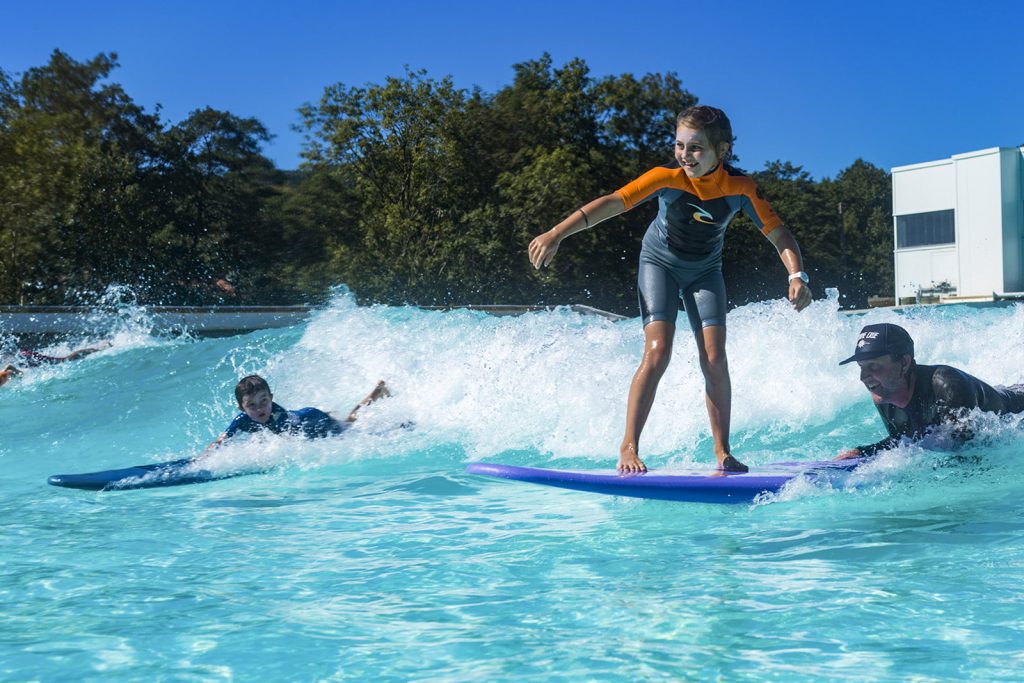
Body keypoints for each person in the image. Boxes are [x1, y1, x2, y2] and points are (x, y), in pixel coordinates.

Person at [528, 105, 812, 473]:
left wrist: (796, 275)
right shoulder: (667, 178)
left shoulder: (740, 188)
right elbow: (614, 202)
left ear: (722, 150)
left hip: (705, 272)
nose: (684, 155)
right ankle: (628, 447)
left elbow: (778, 232)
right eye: (679, 145)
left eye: (696, 148)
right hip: (658, 264)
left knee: (714, 357)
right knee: (658, 350)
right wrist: (556, 233)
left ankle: (722, 450)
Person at [836, 322, 1024, 459]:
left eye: (874, 366)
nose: (864, 377)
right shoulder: (883, 394)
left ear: (904, 362)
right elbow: (903, 443)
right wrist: (862, 453)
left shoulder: (947, 385)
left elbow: (970, 454)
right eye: (862, 367)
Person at [202, 374, 391, 454]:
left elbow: (287, 442)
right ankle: (377, 393)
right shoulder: (241, 420)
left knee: (349, 426)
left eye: (264, 401)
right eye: (251, 405)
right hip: (307, 421)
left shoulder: (279, 415)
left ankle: (377, 397)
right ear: (242, 409)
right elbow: (222, 439)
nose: (259, 409)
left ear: (271, 398)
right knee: (348, 423)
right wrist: (208, 454)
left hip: (315, 419)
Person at [0, 342, 111, 388]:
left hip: (27, 358)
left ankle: (101, 347)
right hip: (25, 357)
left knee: (66, 360)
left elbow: (9, 367)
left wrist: (20, 373)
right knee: (61, 359)